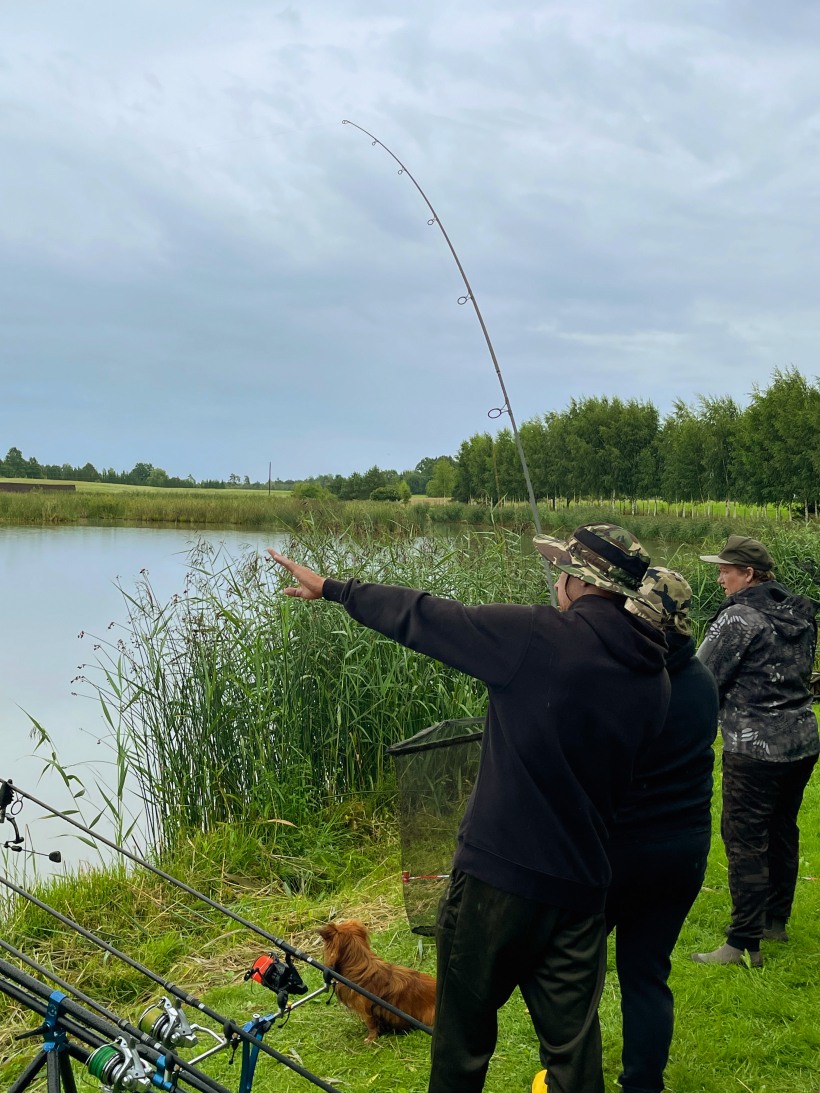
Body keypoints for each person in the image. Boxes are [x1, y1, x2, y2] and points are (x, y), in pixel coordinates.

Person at [268, 523, 671, 1093]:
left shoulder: (535, 635)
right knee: (573, 1053)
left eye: (560, 570)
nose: (555, 581)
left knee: (462, 1041)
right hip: (582, 889)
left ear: (578, 580)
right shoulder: (656, 678)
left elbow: (429, 617)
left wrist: (337, 588)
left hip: (496, 883)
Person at [602, 568, 718, 1093]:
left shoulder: (620, 678)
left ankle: (572, 1076)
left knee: (575, 973)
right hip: (683, 848)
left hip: (617, 850)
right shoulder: (701, 678)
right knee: (647, 973)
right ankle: (644, 1084)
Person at [691, 535, 819, 967]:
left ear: (748, 574)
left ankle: (743, 942)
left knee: (745, 837)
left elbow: (703, 677)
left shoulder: (738, 617)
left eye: (725, 571)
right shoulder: (799, 613)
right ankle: (774, 921)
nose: (719, 579)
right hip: (801, 739)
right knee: (781, 829)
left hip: (753, 746)